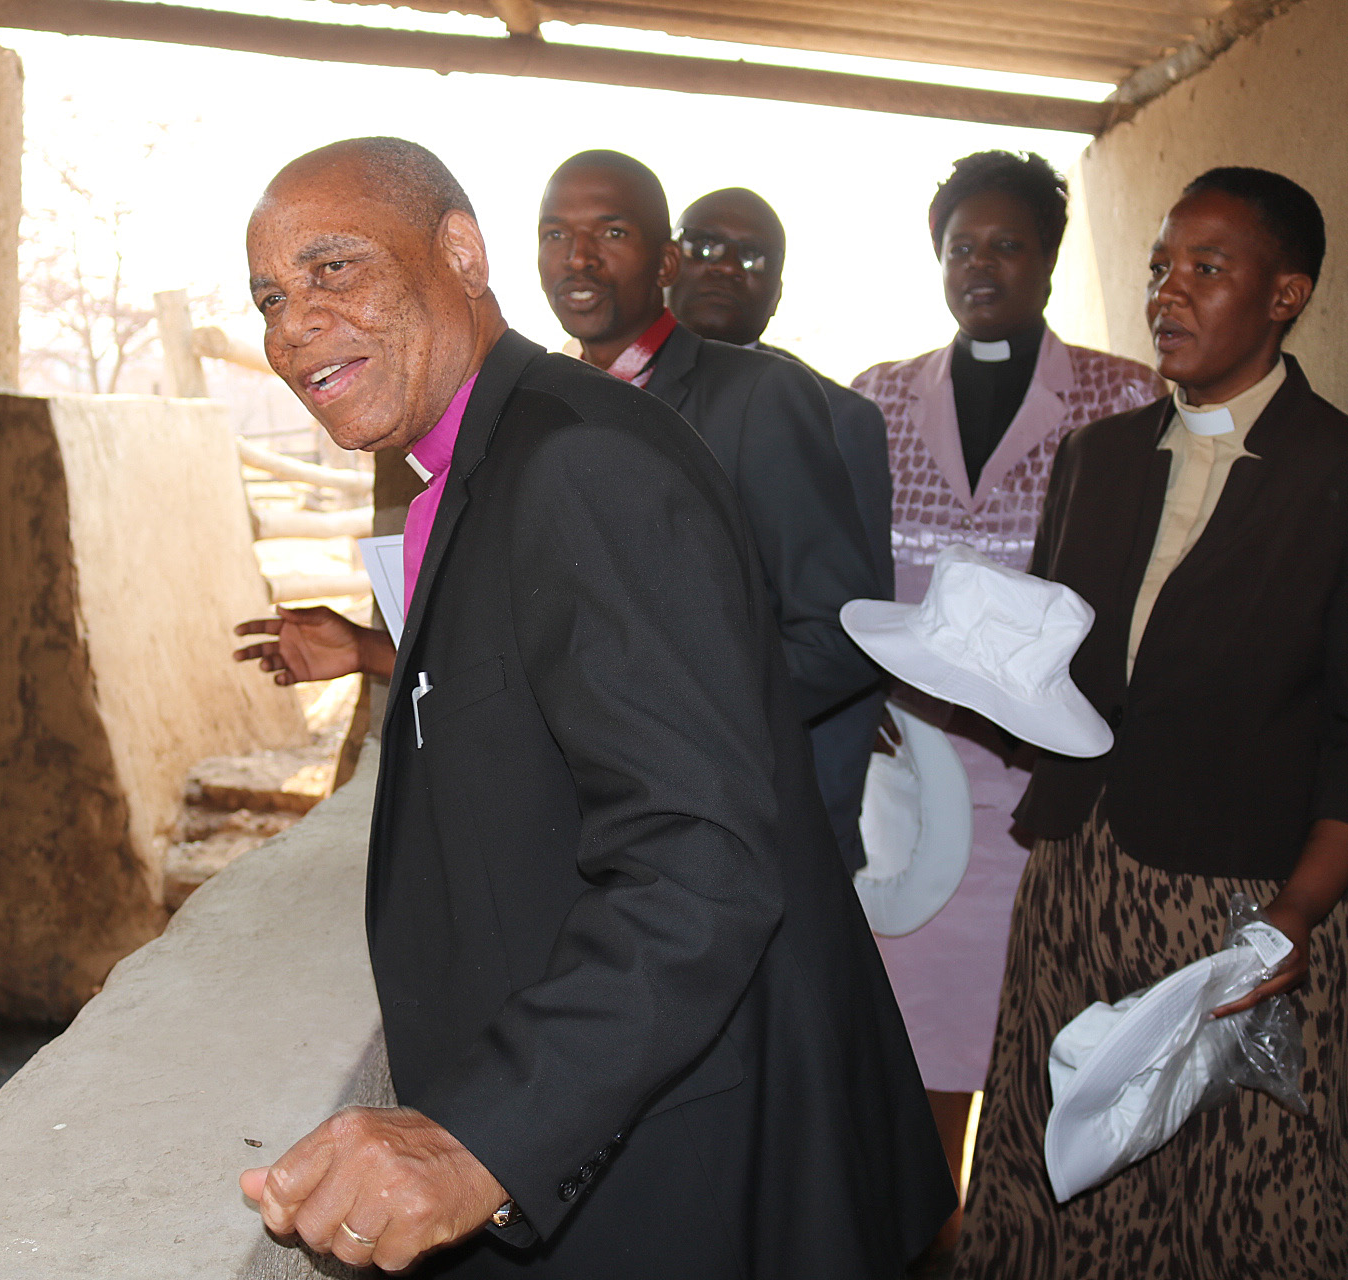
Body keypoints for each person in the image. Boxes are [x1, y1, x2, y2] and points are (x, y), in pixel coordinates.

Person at [230, 137, 948, 1278]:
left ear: (460, 252)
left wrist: (484, 1137)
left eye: (333, 271)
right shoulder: (483, 462)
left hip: (692, 1160)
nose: (293, 324)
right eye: (270, 296)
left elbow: (699, 860)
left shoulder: (576, 460)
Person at [953, 168, 1348, 1279]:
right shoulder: (1098, 459)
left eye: (1208, 269)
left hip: (1242, 915)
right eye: (1160, 267)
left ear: (1287, 294)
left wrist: (1295, 915)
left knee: (1230, 1201)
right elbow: (1061, 669)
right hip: (1078, 882)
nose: (1169, 293)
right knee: (1055, 1181)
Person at [849, 150, 1164, 1238]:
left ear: (1048, 259)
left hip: (1050, 782)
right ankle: (920, 1244)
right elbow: (832, 566)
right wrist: (853, 689)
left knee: (1034, 1046)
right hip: (913, 769)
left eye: (1007, 244)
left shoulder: (1122, 394)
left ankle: (1012, 1249)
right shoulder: (877, 397)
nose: (981, 265)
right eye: (961, 246)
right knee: (916, 1050)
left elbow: (1144, 582)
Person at [538, 151, 882, 874]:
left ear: (664, 262)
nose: (580, 260)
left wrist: (663, 722)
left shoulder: (762, 397)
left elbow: (840, 635)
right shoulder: (535, 410)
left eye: (611, 233)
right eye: (555, 235)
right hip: (579, 826)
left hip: (725, 822)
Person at [668, 186, 893, 874]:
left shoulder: (838, 420)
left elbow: (848, 640)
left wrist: (822, 830)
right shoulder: (592, 402)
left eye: (752, 256)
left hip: (768, 817)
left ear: (778, 293)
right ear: (667, 262)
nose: (724, 265)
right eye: (704, 245)